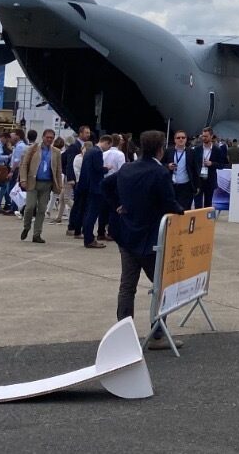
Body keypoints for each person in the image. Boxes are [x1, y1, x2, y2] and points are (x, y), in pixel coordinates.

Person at [100, 130, 183, 349]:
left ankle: (123, 334)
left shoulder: (127, 168)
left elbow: (105, 185)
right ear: (160, 148)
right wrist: (182, 212)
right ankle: (157, 334)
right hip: (150, 239)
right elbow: (169, 203)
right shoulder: (160, 172)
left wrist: (117, 205)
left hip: (126, 234)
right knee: (161, 286)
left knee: (127, 286)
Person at [18, 128, 64, 244]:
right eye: (47, 137)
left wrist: (59, 185)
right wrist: (23, 179)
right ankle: (27, 226)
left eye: (51, 138)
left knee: (42, 209)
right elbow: (24, 164)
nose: (49, 139)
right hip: (33, 182)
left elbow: (58, 170)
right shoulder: (33, 148)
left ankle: (37, 234)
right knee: (30, 207)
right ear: (43, 137)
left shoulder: (56, 152)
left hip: (47, 183)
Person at [77, 135, 112, 248]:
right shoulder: (97, 152)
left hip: (87, 185)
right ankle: (89, 238)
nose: (108, 148)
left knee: (88, 212)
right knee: (92, 213)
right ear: (106, 142)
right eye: (109, 146)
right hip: (95, 187)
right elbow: (98, 169)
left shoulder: (89, 150)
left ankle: (87, 236)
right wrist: (107, 168)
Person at [168, 130, 200, 211]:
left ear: (186, 139)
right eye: (178, 138)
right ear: (175, 140)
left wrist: (197, 185)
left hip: (186, 186)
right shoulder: (168, 151)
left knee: (185, 210)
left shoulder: (191, 152)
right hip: (171, 186)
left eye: (183, 137)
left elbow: (195, 169)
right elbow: (161, 164)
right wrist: (168, 166)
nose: (181, 139)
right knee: (171, 210)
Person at [197, 128, 226, 211]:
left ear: (211, 136)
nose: (204, 138)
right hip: (198, 180)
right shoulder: (197, 149)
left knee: (208, 203)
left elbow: (221, 165)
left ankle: (206, 221)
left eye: (206, 136)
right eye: (203, 136)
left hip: (210, 180)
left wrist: (212, 163)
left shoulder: (217, 150)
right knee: (197, 203)